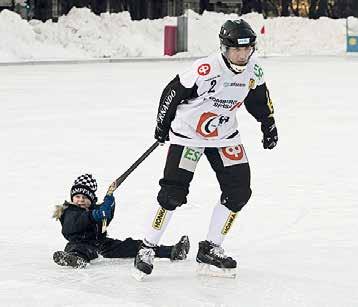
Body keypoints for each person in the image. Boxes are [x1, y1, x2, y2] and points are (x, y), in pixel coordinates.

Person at [134, 19, 278, 277]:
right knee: (172, 194)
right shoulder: (205, 69)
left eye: (248, 50)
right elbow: (172, 93)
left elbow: (259, 99)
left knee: (239, 192)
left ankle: (211, 247)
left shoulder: (254, 71)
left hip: (225, 136)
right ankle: (147, 247)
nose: (243, 55)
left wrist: (268, 124)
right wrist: (161, 125)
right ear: (224, 48)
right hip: (189, 135)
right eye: (237, 50)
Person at [53, 174, 190, 268]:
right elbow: (73, 224)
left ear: (92, 199)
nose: (81, 200)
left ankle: (172, 251)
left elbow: (104, 219)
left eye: (85, 197)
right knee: (80, 249)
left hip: (101, 243)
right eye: (77, 196)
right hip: (80, 244)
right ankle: (74, 259)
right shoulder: (69, 211)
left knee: (133, 245)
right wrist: (94, 215)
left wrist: (109, 204)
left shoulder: (95, 209)